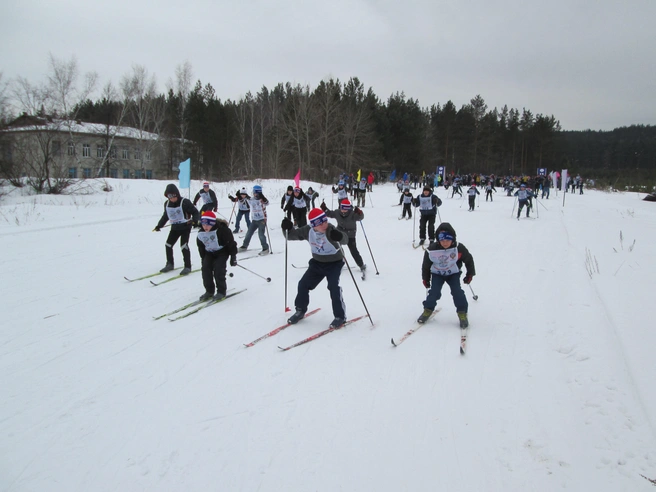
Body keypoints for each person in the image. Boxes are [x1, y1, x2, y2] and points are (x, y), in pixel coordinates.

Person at [281, 208, 349, 328]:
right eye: (320, 223)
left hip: (334, 263)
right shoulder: (308, 230)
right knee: (303, 284)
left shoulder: (330, 229)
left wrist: (339, 236)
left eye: (325, 221)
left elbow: (344, 239)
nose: (324, 224)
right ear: (313, 225)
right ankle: (300, 310)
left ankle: (340, 316)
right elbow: (291, 235)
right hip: (317, 263)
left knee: (333, 287)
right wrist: (287, 228)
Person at [418, 222, 475, 327]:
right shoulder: (431, 250)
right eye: (442, 240)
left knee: (457, 291)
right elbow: (426, 265)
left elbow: (469, 260)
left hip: (453, 274)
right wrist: (426, 279)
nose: (445, 243)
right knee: (434, 292)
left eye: (447, 240)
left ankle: (462, 312)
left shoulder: (458, 248)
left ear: (452, 238)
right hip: (437, 274)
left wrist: (470, 274)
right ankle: (428, 309)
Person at [154, 183, 200, 275]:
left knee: (184, 245)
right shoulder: (167, 204)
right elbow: (166, 216)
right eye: (169, 197)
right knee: (168, 245)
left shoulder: (185, 202)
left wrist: (195, 221)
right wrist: (159, 225)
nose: (171, 199)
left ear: (177, 194)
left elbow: (195, 212)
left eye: (173, 196)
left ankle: (187, 266)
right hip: (175, 228)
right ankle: (170, 264)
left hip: (185, 227)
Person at [196, 211, 238, 301]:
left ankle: (221, 291)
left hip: (222, 252)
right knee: (205, 270)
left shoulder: (222, 230)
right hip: (209, 253)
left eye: (207, 225)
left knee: (218, 270)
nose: (205, 227)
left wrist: (233, 257)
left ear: (212, 223)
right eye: (203, 224)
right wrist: (203, 259)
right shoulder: (201, 233)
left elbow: (231, 243)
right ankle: (209, 291)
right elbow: (201, 247)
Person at [321, 198, 366, 272]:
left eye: (345, 208)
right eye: (342, 208)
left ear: (348, 208)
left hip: (350, 235)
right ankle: (336, 263)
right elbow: (329, 213)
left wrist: (360, 212)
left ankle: (361, 265)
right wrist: (324, 208)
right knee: (336, 249)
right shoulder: (337, 212)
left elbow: (360, 217)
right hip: (340, 234)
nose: (343, 210)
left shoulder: (352, 214)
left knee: (353, 251)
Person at [239, 184, 270, 255]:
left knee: (261, 234)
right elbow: (245, 199)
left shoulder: (262, 200)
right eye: (253, 192)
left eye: (255, 192)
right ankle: (244, 246)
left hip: (262, 220)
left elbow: (267, 203)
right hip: (254, 220)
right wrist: (242, 196)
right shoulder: (251, 199)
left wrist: (263, 199)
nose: (254, 193)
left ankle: (265, 248)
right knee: (249, 233)